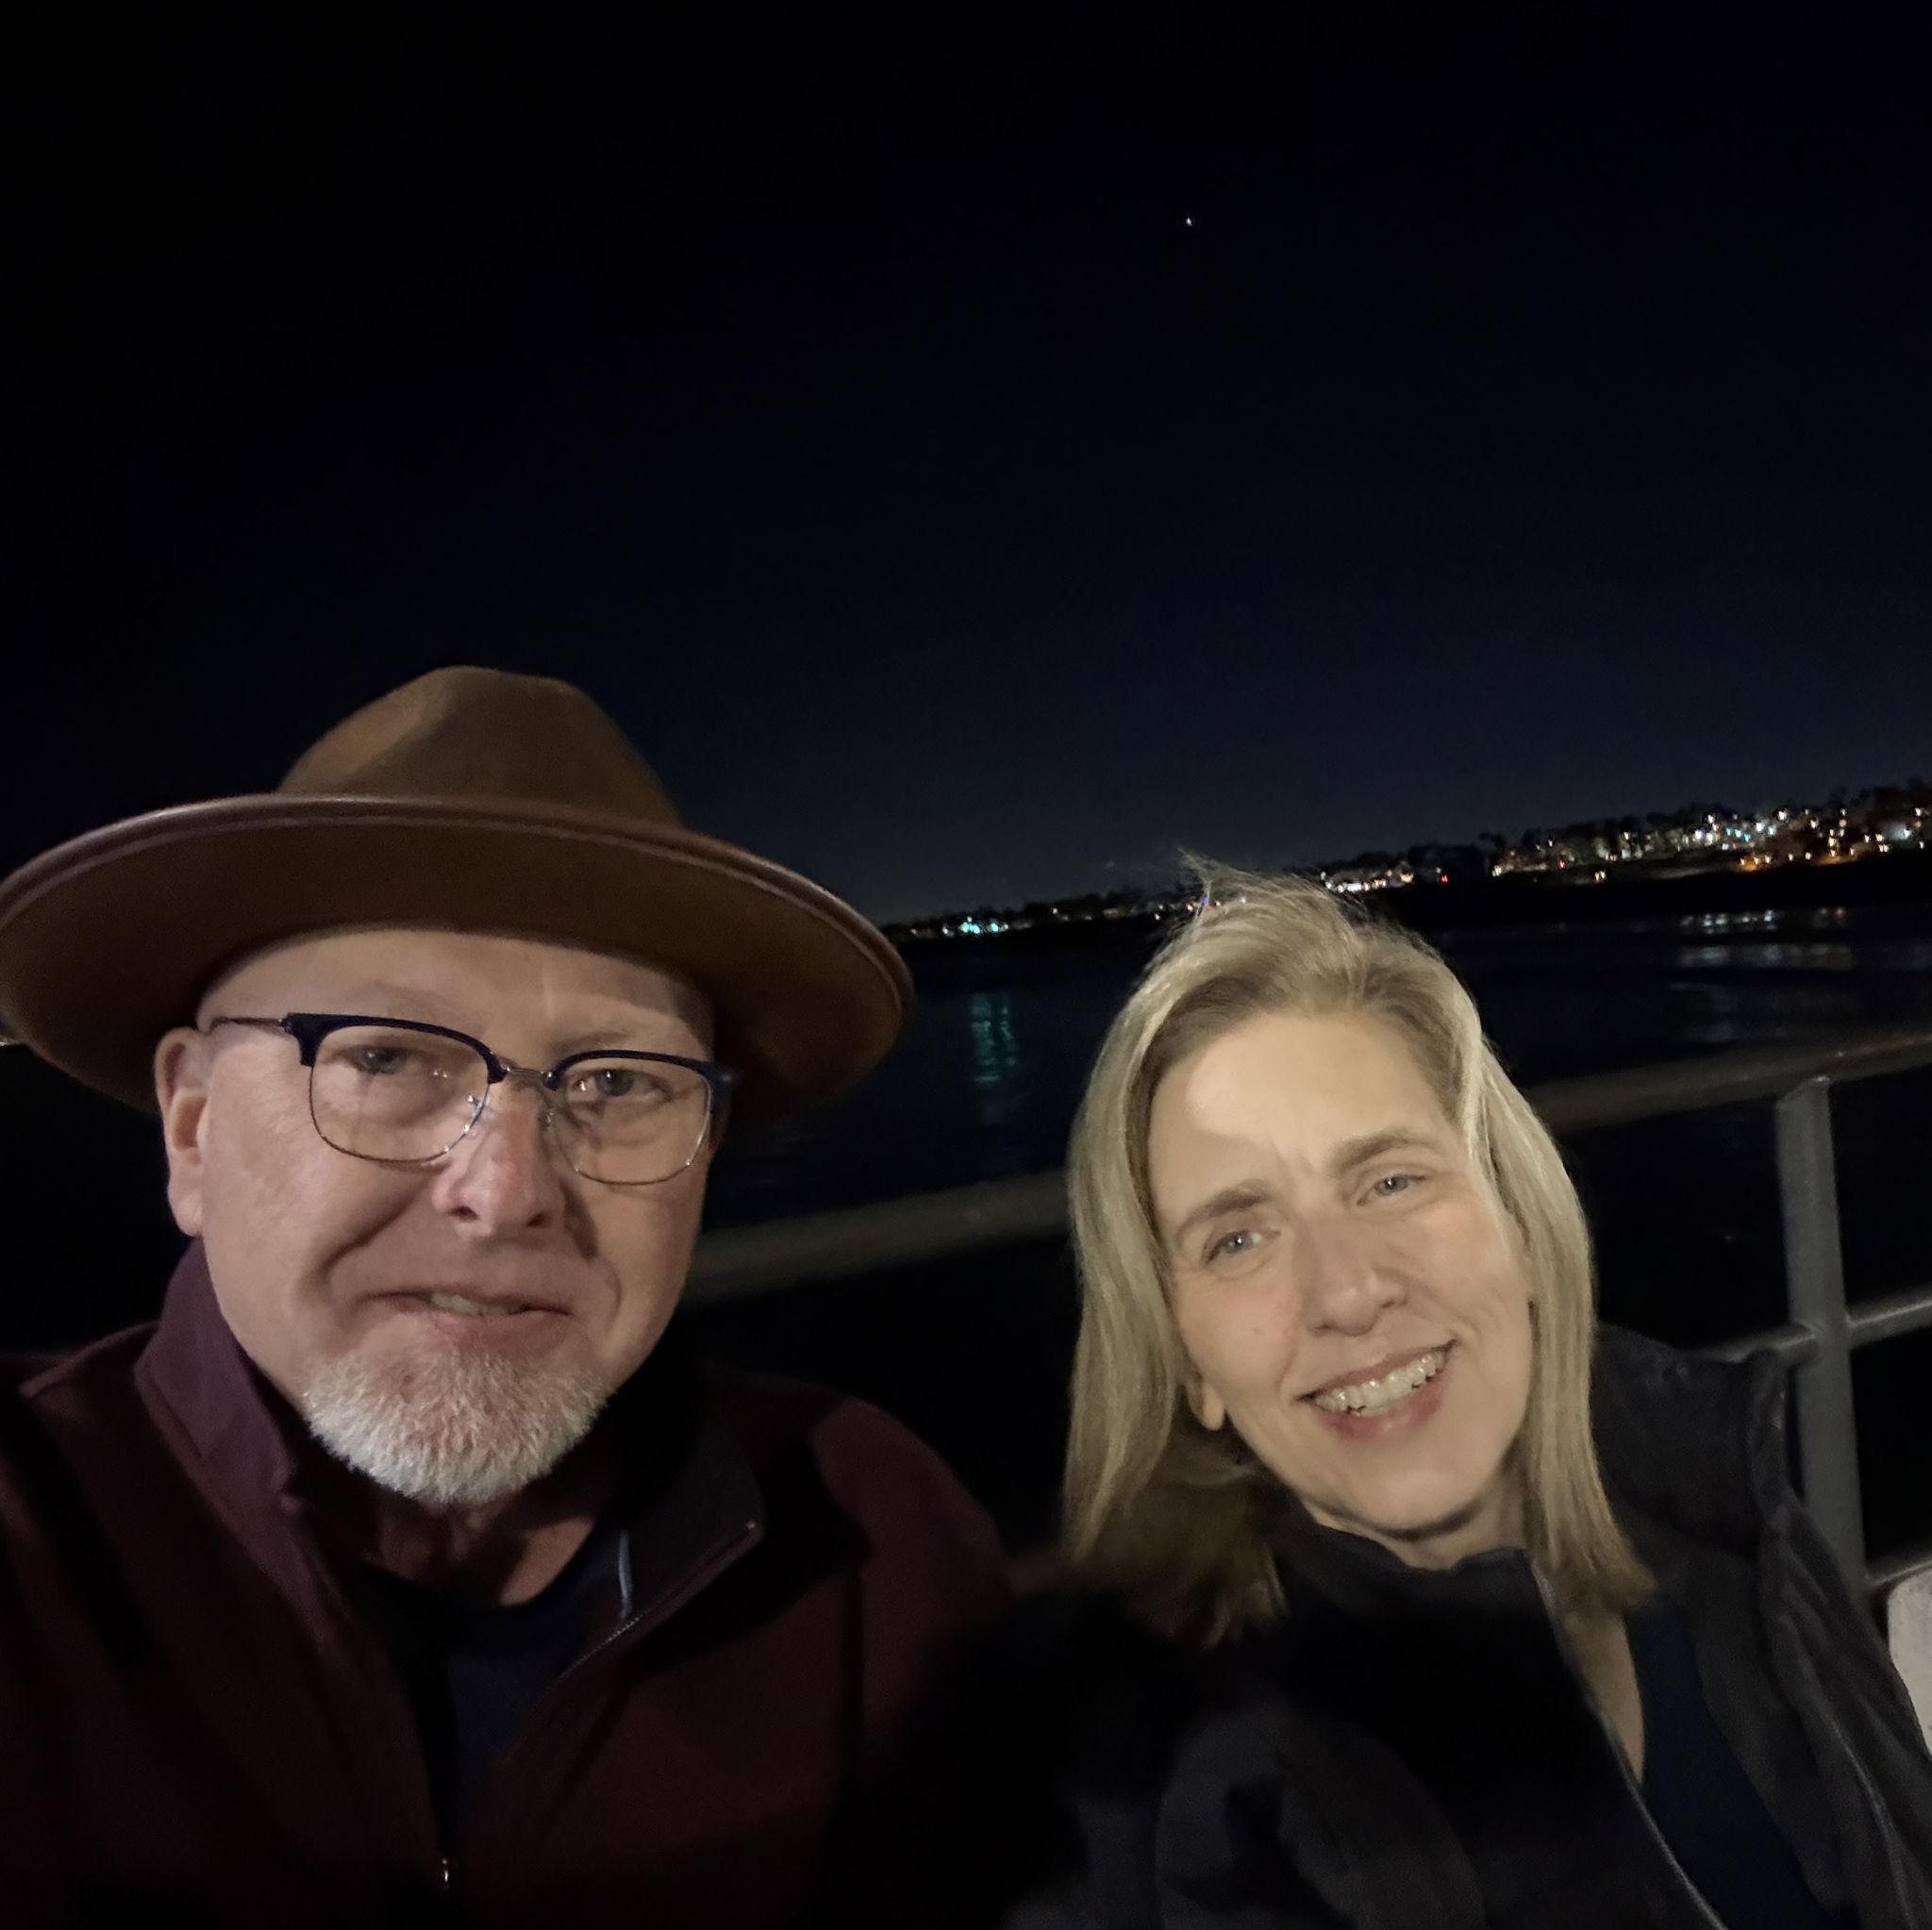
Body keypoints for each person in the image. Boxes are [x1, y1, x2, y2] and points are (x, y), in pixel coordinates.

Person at [0, 666, 1007, 1927]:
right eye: (385, 1056)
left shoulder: (872, 1543)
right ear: (193, 1126)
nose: (509, 1187)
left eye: (620, 1083)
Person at [903, 867, 1932, 1929]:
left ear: (1517, 1223)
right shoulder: (1156, 1805)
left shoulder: (1726, 1510)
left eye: (1389, 1180)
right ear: (1187, 1367)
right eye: (1238, 1238)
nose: (1346, 1292)